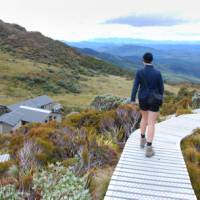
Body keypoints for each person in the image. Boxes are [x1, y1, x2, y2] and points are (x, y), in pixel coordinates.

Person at [130, 52, 164, 157]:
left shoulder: (139, 72)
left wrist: (132, 99)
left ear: (143, 60)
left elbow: (135, 86)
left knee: (144, 119)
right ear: (152, 60)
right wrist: (160, 100)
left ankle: (142, 140)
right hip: (154, 100)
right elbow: (161, 89)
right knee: (151, 123)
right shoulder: (158, 73)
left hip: (143, 99)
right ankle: (149, 149)